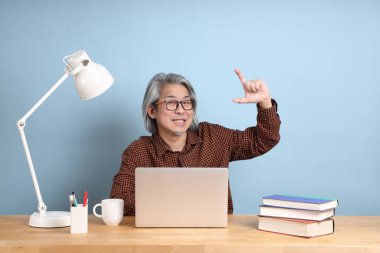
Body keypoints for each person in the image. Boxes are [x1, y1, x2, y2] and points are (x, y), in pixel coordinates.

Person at [111, 69, 281, 215]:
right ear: (151, 110)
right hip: (160, 240)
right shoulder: (138, 151)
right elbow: (120, 200)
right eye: (171, 103)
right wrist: (177, 202)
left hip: (214, 241)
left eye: (186, 103)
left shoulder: (214, 137)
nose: (180, 110)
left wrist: (265, 102)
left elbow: (263, 140)